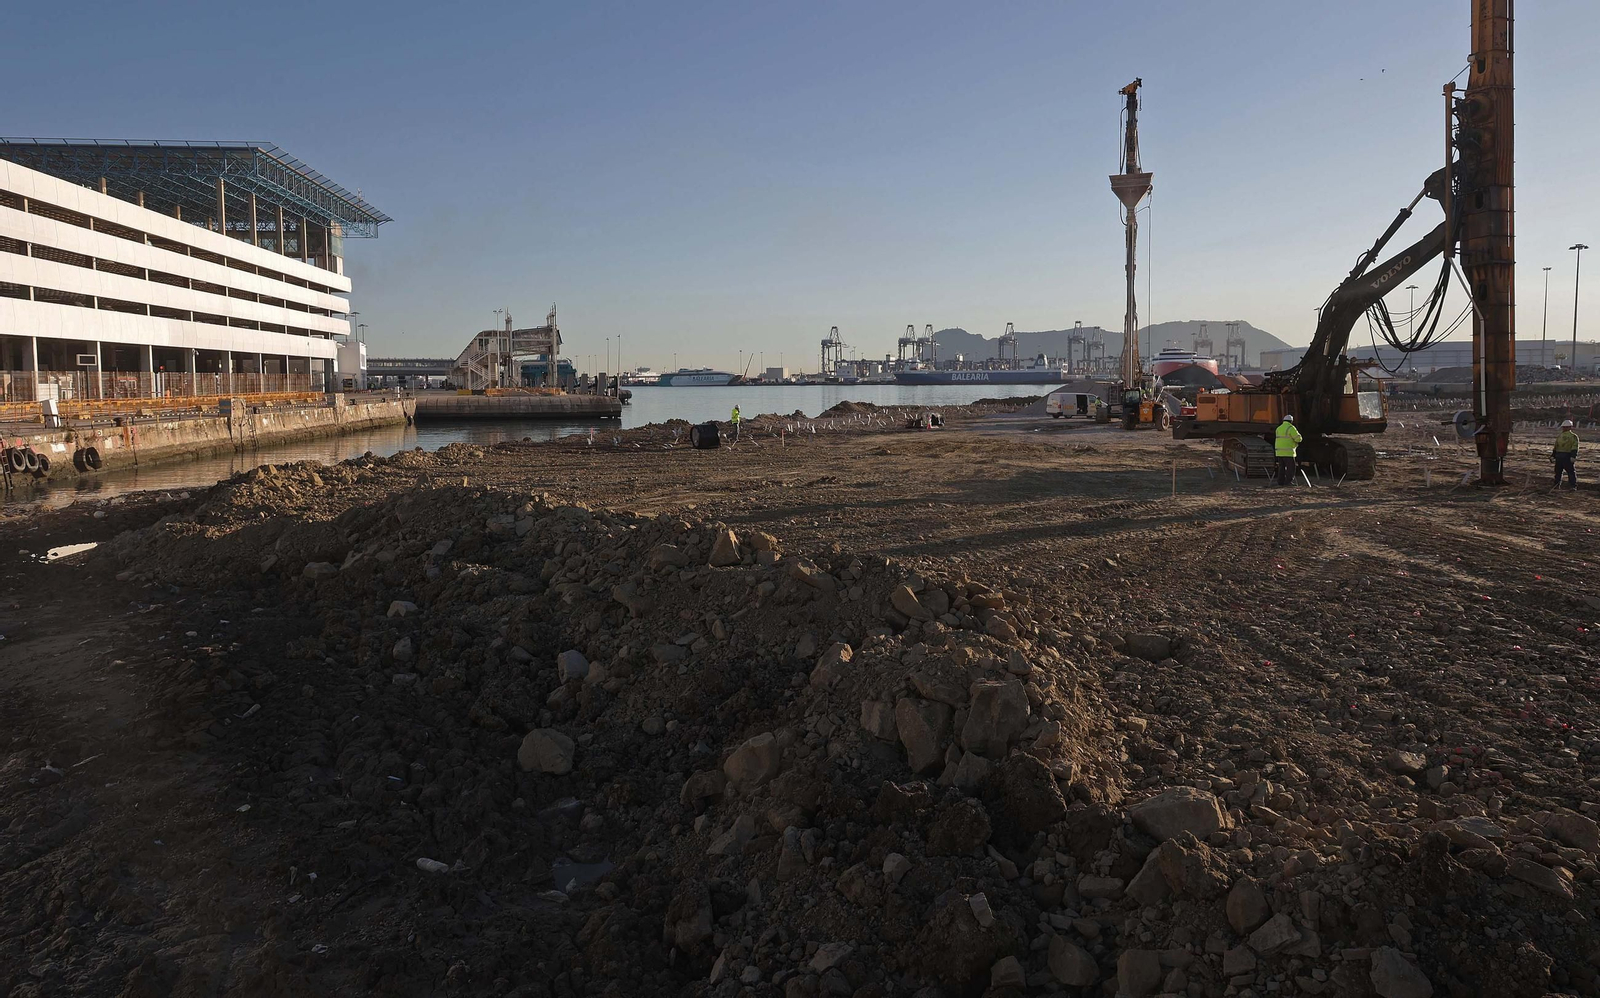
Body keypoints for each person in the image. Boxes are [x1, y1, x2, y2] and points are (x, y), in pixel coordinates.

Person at [1274, 413, 1302, 486]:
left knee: (1281, 468)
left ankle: (1280, 482)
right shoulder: (1291, 428)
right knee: (1291, 468)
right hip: (1288, 452)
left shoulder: (1278, 428)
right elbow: (1298, 439)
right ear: (1291, 421)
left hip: (1279, 452)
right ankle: (1288, 482)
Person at [1553, 419, 1579, 489]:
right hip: (1560, 456)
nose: (1564, 428)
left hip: (1566, 456)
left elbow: (1574, 447)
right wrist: (1553, 455)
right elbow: (1556, 446)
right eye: (1564, 427)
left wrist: (1573, 456)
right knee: (1558, 472)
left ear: (1570, 427)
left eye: (1566, 427)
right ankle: (1557, 485)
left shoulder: (1573, 436)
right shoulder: (1561, 436)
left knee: (1570, 472)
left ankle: (1573, 486)